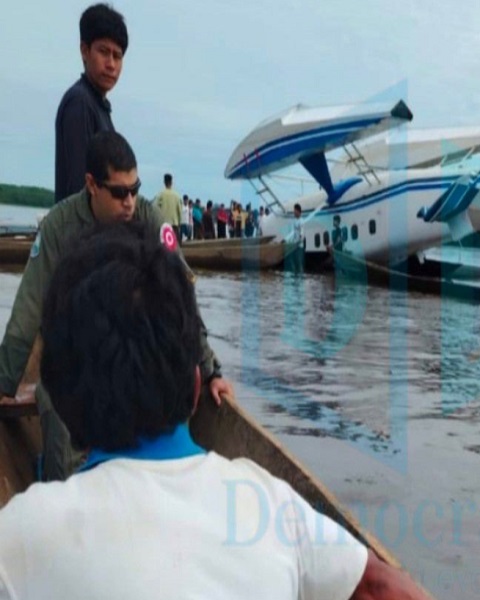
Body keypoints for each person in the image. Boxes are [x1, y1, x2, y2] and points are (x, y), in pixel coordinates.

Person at [0, 223, 427, 599]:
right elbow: (382, 589)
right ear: (196, 385)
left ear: (60, 397)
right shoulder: (272, 505)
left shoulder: (20, 534)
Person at [0, 131, 233, 481]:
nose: (129, 201)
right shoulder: (59, 227)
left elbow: (181, 299)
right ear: (92, 185)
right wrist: (4, 381)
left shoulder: (148, 218)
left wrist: (210, 370)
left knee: (171, 397)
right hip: (79, 356)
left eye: (135, 189)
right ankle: (63, 490)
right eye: (119, 192)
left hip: (132, 354)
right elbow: (29, 308)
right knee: (55, 408)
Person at [55, 3, 128, 202]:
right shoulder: (80, 102)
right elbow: (79, 190)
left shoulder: (100, 106)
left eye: (117, 56)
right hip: (83, 232)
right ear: (85, 51)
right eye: (104, 52)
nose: (111, 64)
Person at [152, 173, 182, 241]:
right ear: (172, 182)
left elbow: (154, 207)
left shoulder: (160, 195)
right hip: (174, 225)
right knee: (175, 248)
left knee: (164, 247)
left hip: (164, 225)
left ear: (164, 182)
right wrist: (179, 222)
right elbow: (179, 211)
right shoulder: (177, 196)